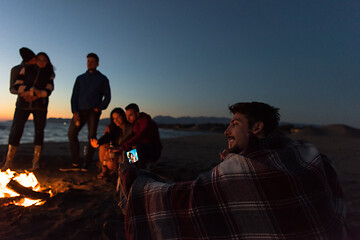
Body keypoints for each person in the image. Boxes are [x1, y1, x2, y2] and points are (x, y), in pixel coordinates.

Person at [116, 102, 348, 239]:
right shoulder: (299, 152)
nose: (227, 131)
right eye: (121, 117)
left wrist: (129, 174)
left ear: (257, 127)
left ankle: (135, 167)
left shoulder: (143, 122)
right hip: (138, 149)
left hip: (148, 150)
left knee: (134, 155)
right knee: (132, 153)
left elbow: (137, 139)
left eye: (235, 124)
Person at [2, 52, 55, 171]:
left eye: (44, 60)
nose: (41, 62)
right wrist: (31, 91)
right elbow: (17, 86)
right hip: (23, 104)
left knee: (39, 132)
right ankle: (8, 161)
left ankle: (35, 163)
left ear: (47, 62)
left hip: (40, 106)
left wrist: (36, 95)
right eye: (39, 59)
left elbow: (49, 90)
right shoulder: (26, 69)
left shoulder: (49, 74)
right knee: (16, 130)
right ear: (35, 60)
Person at [67, 53, 111, 171]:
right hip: (79, 111)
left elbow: (107, 97)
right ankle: (76, 161)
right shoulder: (80, 78)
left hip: (93, 112)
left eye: (92, 61)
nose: (89, 63)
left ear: (97, 63)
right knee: (71, 134)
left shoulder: (102, 79)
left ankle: (87, 163)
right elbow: (74, 96)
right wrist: (74, 110)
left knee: (91, 137)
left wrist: (100, 107)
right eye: (88, 61)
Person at [90, 108, 132, 179]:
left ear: (123, 116)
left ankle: (124, 171)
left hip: (131, 155)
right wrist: (98, 142)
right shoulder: (114, 129)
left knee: (111, 163)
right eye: (114, 118)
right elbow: (106, 137)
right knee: (103, 147)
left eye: (118, 117)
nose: (116, 120)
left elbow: (134, 145)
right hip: (119, 153)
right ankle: (104, 171)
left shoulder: (131, 128)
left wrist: (120, 150)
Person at [119, 103, 162, 169]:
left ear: (137, 114)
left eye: (130, 115)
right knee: (129, 148)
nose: (128, 118)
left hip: (153, 151)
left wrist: (124, 145)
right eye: (126, 116)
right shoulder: (134, 122)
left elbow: (141, 135)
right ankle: (134, 166)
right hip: (144, 149)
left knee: (135, 145)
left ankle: (141, 169)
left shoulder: (146, 121)